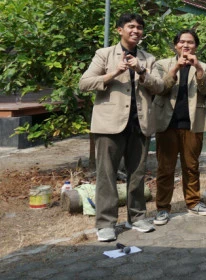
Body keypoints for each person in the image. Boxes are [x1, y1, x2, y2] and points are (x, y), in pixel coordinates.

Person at [79, 13, 163, 242]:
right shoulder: (104, 55)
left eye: (139, 28)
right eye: (130, 27)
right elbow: (84, 83)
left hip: (140, 123)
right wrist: (113, 73)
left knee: (137, 175)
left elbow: (160, 87)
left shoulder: (148, 59)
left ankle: (136, 217)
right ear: (119, 30)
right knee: (106, 176)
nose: (135, 31)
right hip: (110, 125)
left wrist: (141, 71)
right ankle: (106, 223)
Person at [149, 29, 206, 226]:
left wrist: (199, 70)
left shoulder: (205, 66)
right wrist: (176, 68)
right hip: (167, 123)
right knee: (165, 168)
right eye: (182, 42)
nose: (186, 46)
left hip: (193, 123)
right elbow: (160, 87)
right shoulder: (162, 64)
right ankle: (162, 208)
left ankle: (193, 202)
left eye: (191, 42)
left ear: (196, 46)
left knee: (191, 166)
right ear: (176, 45)